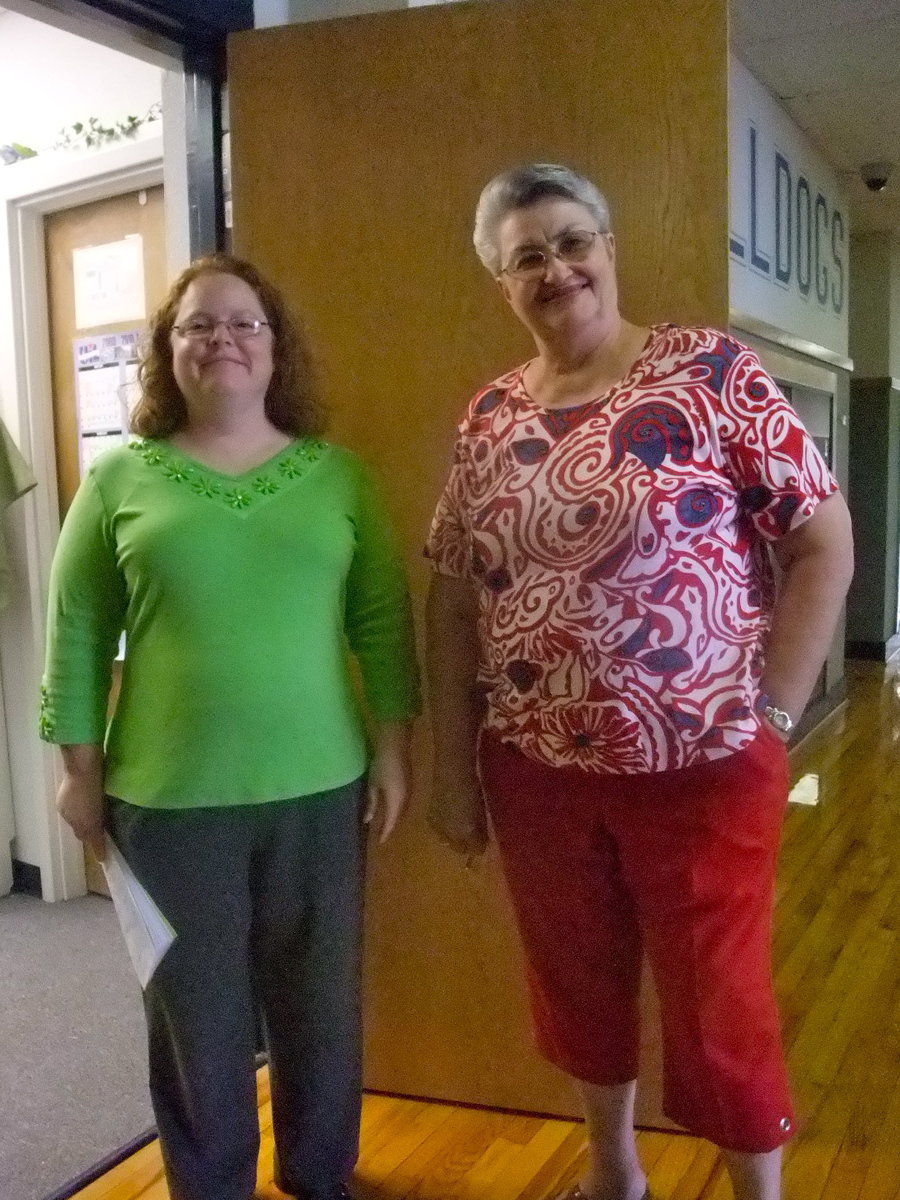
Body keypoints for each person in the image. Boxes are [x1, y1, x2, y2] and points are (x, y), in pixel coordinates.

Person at [425, 164, 853, 1200]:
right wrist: (451, 768)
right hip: (537, 768)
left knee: (722, 1001)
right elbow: (450, 597)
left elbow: (823, 543)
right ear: (501, 282)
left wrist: (775, 715)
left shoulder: (708, 372)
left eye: (572, 241)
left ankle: (758, 1189)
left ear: (609, 248)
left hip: (704, 764)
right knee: (578, 983)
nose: (555, 268)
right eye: (527, 255)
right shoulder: (488, 416)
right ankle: (613, 1172)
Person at [40, 253, 420, 1200]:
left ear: (275, 344)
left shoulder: (338, 477)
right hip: (166, 803)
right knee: (194, 1017)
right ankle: (208, 1184)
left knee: (319, 1011)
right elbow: (77, 629)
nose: (222, 339)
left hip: (320, 790)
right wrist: (77, 771)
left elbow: (381, 619)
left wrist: (394, 749)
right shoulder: (119, 478)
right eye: (197, 325)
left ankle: (318, 1172)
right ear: (168, 353)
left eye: (244, 322)